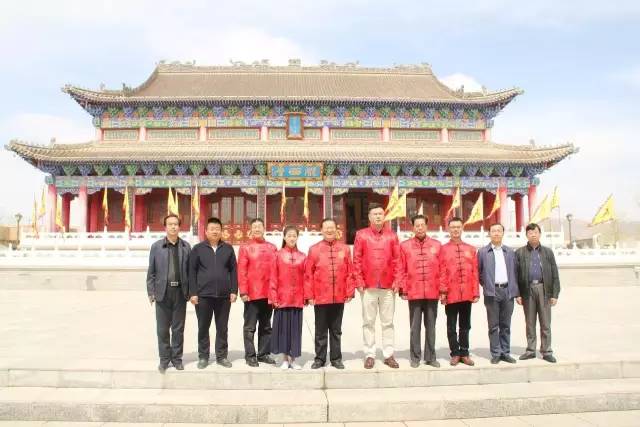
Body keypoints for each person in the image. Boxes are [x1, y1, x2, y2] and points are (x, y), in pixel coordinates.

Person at [353, 203, 401, 369]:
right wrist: (359, 282)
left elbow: (397, 260)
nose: (378, 216)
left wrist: (397, 281)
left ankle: (388, 354)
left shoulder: (392, 236)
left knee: (388, 322)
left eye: (381, 214)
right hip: (368, 286)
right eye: (375, 214)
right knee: (368, 322)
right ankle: (369, 354)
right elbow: (357, 260)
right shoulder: (361, 235)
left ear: (384, 216)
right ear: (369, 217)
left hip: (388, 286)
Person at [188, 217, 238, 369]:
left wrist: (234, 290)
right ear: (206, 231)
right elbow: (192, 271)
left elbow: (234, 271)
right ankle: (203, 356)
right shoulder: (197, 249)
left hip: (224, 296)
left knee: (222, 327)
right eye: (212, 229)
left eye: (217, 229)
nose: (215, 231)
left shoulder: (228, 248)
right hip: (203, 296)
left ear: (221, 231)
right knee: (203, 327)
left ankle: (221, 356)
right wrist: (193, 293)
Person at [305, 218, 354, 370]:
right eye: (326, 227)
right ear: (321, 230)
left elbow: (350, 272)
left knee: (336, 329)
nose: (329, 230)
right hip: (320, 296)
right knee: (320, 330)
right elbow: (308, 274)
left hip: (339, 295)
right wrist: (310, 295)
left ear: (336, 229)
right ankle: (319, 358)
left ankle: (336, 358)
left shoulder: (345, 249)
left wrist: (349, 291)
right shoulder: (314, 249)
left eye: (331, 227)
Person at [146, 214, 191, 373]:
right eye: (170, 224)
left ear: (180, 227)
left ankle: (177, 359)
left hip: (180, 292)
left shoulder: (186, 247)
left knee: (178, 329)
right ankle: (164, 360)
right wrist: (151, 292)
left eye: (176, 224)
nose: (173, 227)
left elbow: (190, 272)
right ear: (165, 227)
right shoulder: (157, 247)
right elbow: (151, 272)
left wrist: (191, 292)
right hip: (162, 293)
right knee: (162, 329)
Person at [397, 214, 442, 368]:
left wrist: (443, 290)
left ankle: (430, 357)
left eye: (422, 225)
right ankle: (415, 357)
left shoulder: (437, 245)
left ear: (427, 226)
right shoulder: (404, 246)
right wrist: (402, 289)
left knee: (431, 326)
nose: (420, 228)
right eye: (417, 225)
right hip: (414, 292)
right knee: (414, 327)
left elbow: (442, 270)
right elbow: (401, 268)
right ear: (413, 227)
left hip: (432, 292)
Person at [515, 222, 561, 363]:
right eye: (530, 232)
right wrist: (517, 294)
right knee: (530, 323)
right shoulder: (520, 253)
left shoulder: (547, 252)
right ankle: (530, 350)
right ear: (526, 235)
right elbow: (515, 275)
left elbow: (554, 274)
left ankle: (546, 351)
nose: (533, 234)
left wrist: (554, 294)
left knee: (545, 323)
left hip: (544, 289)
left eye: (535, 232)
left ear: (540, 234)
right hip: (527, 290)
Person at [440, 216, 480, 366]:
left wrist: (475, 292)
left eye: (458, 227)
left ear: (462, 229)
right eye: (453, 227)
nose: (455, 230)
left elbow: (475, 272)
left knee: (465, 325)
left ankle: (464, 352)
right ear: (448, 230)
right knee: (451, 325)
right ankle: (455, 353)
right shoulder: (443, 249)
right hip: (451, 293)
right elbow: (441, 271)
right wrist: (442, 291)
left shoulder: (470, 249)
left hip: (467, 293)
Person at [238, 218, 278, 367]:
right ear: (251, 229)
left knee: (266, 326)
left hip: (268, 294)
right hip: (252, 294)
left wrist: (275, 293)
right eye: (254, 227)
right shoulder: (245, 247)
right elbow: (241, 271)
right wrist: (243, 291)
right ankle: (250, 355)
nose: (256, 229)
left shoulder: (272, 248)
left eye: (259, 226)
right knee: (250, 327)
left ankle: (263, 354)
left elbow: (277, 271)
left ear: (264, 228)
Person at [477, 223, 519, 364]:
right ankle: (495, 353)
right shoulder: (483, 252)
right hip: (492, 292)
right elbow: (479, 273)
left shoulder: (510, 252)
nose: (496, 233)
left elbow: (515, 272)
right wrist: (488, 285)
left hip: (507, 291)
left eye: (499, 231)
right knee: (493, 325)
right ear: (489, 233)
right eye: (493, 231)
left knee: (506, 325)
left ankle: (505, 352)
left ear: (502, 233)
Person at [270, 226, 307, 370]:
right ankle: (285, 358)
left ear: (297, 238)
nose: (292, 238)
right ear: (284, 237)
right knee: (283, 330)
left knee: (295, 330)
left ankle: (294, 359)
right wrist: (273, 297)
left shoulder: (303, 256)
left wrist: (307, 295)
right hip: (282, 298)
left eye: (294, 236)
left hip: (297, 297)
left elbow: (306, 277)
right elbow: (273, 277)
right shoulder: (277, 255)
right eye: (289, 235)